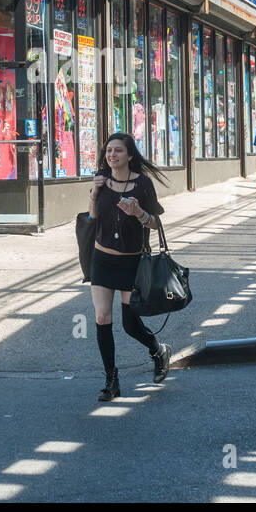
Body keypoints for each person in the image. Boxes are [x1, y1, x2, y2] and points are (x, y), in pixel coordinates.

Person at [87, 133, 171, 401]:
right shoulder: (101, 178)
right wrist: (95, 191)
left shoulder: (142, 185)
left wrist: (138, 213)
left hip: (131, 261)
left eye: (118, 151)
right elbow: (92, 216)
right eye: (108, 150)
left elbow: (155, 223)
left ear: (130, 155)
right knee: (102, 318)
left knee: (130, 324)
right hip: (102, 259)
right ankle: (111, 379)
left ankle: (158, 350)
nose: (112, 155)